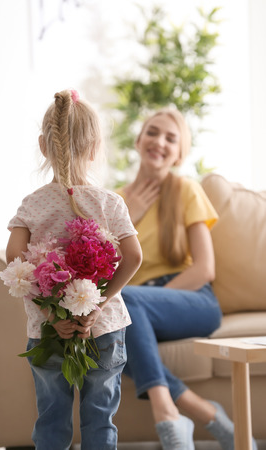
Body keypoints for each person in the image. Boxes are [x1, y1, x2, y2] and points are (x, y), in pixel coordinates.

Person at [5, 89, 142, 450]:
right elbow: (134, 257)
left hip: (49, 328)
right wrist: (97, 304)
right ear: (96, 148)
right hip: (103, 327)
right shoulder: (110, 202)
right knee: (100, 417)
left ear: (43, 145)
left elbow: (14, 260)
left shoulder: (32, 204)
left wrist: (52, 309)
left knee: (51, 416)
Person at [118, 108, 257, 450]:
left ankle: (167, 414)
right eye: (152, 132)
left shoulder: (186, 190)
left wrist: (149, 302)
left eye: (171, 138)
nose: (159, 142)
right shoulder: (116, 202)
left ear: (179, 153)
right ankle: (202, 410)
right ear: (138, 141)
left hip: (192, 300)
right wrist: (128, 218)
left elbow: (204, 269)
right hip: (136, 302)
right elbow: (108, 272)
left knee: (124, 304)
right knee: (106, 326)